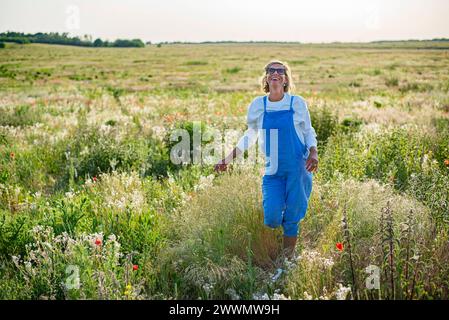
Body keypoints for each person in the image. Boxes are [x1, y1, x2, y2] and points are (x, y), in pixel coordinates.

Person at [214, 60, 319, 259]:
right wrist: (228, 159)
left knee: (292, 218)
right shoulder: (258, 105)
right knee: (271, 217)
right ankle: (282, 235)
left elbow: (307, 131)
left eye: (280, 70)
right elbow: (250, 136)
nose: (275, 73)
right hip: (273, 170)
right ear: (266, 78)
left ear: (286, 79)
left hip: (298, 167)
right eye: (271, 70)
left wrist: (313, 152)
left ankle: (287, 258)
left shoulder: (296, 103)